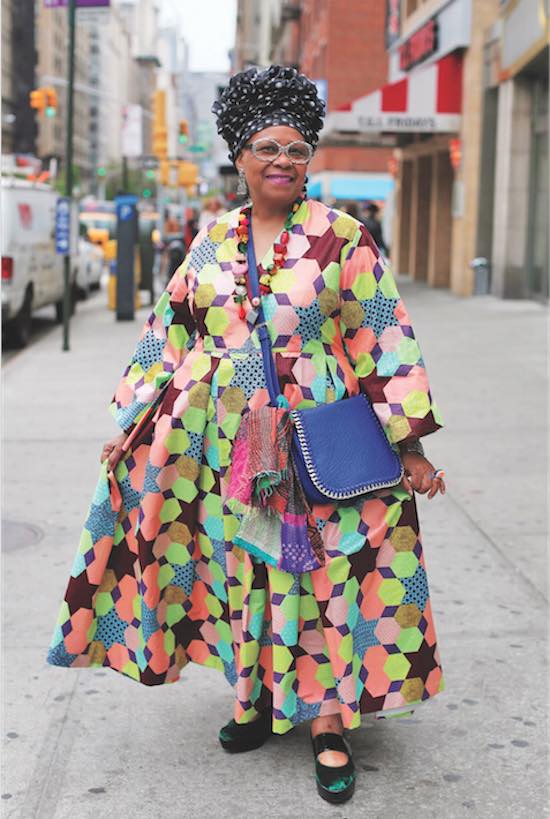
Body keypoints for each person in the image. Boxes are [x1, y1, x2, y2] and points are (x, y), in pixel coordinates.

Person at [48, 65, 446, 806]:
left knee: (320, 575)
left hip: (317, 438)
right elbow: (169, 335)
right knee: (245, 570)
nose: (283, 161)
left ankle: (327, 723)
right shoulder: (209, 242)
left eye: (297, 149)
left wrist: (411, 442)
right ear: (239, 156)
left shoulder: (342, 238)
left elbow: (383, 335)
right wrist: (132, 424)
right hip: (226, 445)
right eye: (268, 147)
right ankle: (256, 697)